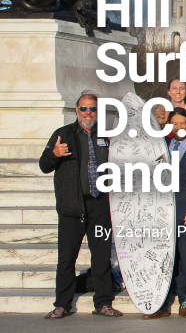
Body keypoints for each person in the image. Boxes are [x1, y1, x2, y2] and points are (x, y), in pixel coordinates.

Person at [41, 91, 121, 319]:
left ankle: (103, 303)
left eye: (92, 109)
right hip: (72, 207)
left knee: (102, 255)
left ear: (97, 112)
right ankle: (62, 304)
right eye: (84, 108)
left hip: (99, 205)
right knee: (67, 258)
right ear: (76, 110)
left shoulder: (107, 135)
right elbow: (44, 165)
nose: (88, 113)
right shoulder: (63, 134)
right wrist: (54, 155)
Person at [159, 108, 186, 318]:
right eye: (174, 124)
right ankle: (161, 302)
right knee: (165, 261)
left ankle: (185, 302)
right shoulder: (161, 147)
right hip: (163, 214)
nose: (179, 128)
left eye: (182, 123)